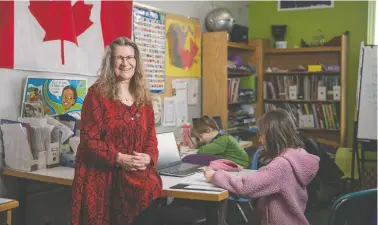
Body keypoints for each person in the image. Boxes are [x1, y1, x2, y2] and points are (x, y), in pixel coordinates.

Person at [70, 37, 162, 225]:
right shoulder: (97, 95)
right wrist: (119, 158)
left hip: (137, 178)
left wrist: (149, 157)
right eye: (119, 58)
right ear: (110, 62)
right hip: (104, 180)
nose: (125, 63)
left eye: (130, 57)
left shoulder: (143, 96)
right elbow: (89, 141)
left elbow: (150, 136)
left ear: (136, 61)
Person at [203, 109, 320, 225]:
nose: (259, 140)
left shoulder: (281, 166)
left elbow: (246, 187)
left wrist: (215, 175)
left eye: (262, 135)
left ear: (273, 136)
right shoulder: (296, 156)